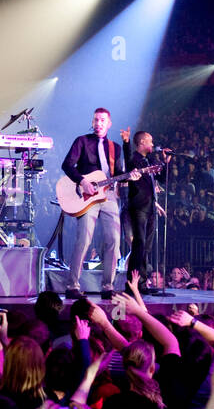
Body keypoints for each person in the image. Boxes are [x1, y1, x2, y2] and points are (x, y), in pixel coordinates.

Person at [62, 108, 129, 300]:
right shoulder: (82, 141)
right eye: (96, 120)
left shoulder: (115, 147)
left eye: (102, 120)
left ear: (109, 124)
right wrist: (83, 181)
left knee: (114, 240)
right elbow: (67, 165)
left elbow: (118, 174)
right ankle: (72, 284)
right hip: (88, 197)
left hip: (109, 196)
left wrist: (128, 176)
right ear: (92, 122)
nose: (99, 123)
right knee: (84, 240)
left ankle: (108, 286)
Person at [120, 128, 165, 292]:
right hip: (138, 206)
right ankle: (132, 283)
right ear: (142, 143)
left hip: (150, 207)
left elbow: (162, 178)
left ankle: (142, 282)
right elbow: (128, 160)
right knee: (139, 244)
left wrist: (165, 162)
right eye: (150, 141)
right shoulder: (135, 159)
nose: (152, 144)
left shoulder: (149, 161)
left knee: (146, 246)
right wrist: (126, 143)